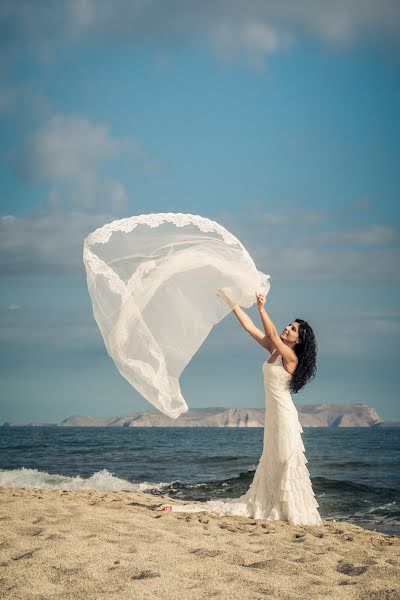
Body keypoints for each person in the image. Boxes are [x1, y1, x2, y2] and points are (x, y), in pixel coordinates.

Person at [159, 290, 323, 526]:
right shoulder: (275, 351)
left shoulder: (290, 357)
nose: (288, 328)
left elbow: (272, 334)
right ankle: (275, 505)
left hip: (285, 418)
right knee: (272, 461)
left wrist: (261, 308)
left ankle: (289, 509)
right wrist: (231, 303)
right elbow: (251, 329)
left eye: (293, 329)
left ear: (299, 340)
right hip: (273, 418)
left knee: (286, 461)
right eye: (289, 325)